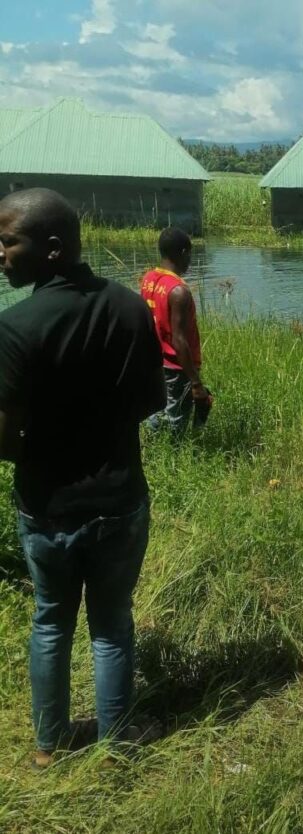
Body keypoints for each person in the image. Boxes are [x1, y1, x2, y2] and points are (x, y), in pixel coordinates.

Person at [0, 188, 166, 767]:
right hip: (120, 499)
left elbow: (4, 440)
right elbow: (152, 401)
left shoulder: (15, 326)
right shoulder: (130, 308)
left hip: (47, 504)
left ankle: (48, 748)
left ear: (51, 249)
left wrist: (46, 447)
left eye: (7, 242)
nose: (0, 254)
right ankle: (116, 745)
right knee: (112, 624)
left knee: (51, 620)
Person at [140, 229, 212, 435]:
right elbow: (179, 340)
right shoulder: (179, 291)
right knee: (176, 418)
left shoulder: (148, 279)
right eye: (189, 254)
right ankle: (174, 448)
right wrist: (195, 382)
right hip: (175, 366)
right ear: (183, 253)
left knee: (156, 410)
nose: (190, 260)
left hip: (153, 359)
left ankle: (153, 443)